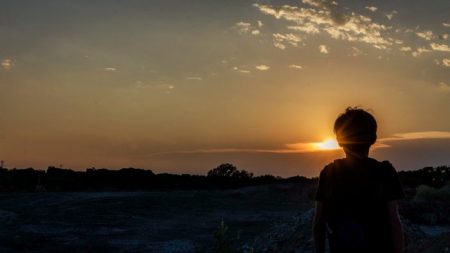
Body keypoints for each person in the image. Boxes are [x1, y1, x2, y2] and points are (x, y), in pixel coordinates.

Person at [313, 107, 405, 253]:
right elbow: (394, 222)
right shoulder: (385, 171)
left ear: (339, 141)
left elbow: (318, 224)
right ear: (373, 138)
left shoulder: (329, 172)